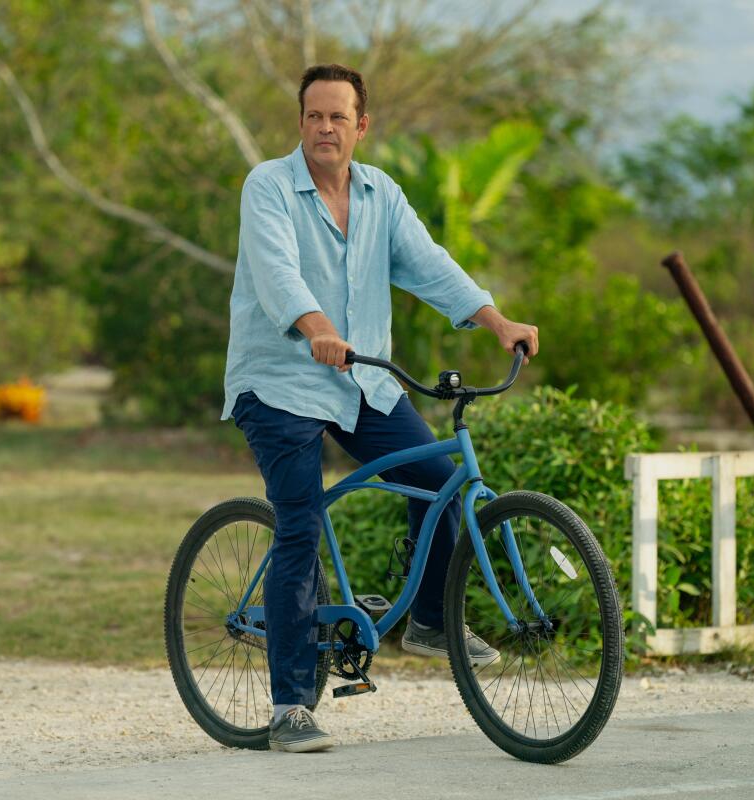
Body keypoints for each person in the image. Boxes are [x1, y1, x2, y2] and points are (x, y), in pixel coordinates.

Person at [222, 63, 539, 753]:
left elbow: (430, 265)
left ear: (362, 126)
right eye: (313, 116)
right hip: (277, 384)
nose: (324, 127)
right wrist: (315, 329)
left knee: (437, 476)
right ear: (300, 123)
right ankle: (290, 707)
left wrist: (496, 321)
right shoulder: (268, 186)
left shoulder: (380, 194)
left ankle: (427, 620)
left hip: (361, 381)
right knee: (300, 524)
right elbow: (277, 273)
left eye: (338, 116)